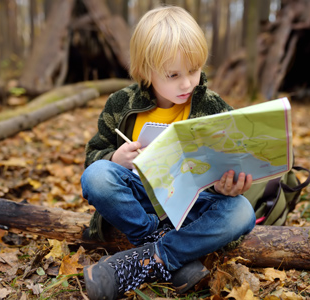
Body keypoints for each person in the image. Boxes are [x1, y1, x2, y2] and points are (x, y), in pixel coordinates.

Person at [81, 5, 256, 300]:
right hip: (140, 204)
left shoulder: (212, 106)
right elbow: (92, 157)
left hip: (192, 206)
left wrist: (227, 185)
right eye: (173, 74)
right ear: (146, 71)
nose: (187, 82)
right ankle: (165, 249)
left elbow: (234, 157)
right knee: (97, 176)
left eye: (193, 70)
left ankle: (150, 258)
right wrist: (114, 158)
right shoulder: (121, 103)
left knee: (241, 212)